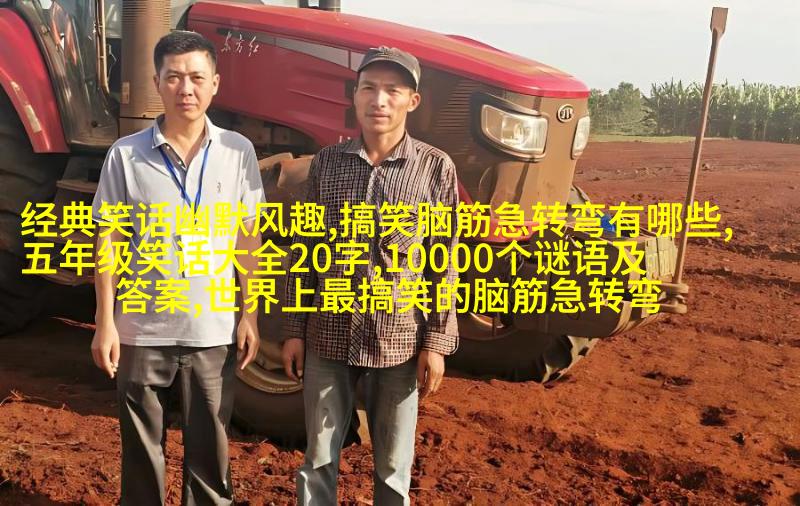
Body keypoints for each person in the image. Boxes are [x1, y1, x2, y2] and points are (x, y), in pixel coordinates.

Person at [90, 30, 265, 505]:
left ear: (215, 84)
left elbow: (247, 238)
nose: (185, 88)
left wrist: (249, 314)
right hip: (141, 329)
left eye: (196, 77)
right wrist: (105, 322)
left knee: (210, 455)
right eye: (173, 77)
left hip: (212, 329)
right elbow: (108, 239)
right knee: (141, 453)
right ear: (156, 83)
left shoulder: (238, 152)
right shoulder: (126, 155)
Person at [282, 46, 459, 506]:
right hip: (328, 333)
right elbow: (305, 250)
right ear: (355, 96)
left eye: (392, 91)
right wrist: (294, 329)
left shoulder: (434, 168)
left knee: (394, 466)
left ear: (412, 101)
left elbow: (442, 262)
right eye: (369, 88)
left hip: (398, 338)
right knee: (318, 459)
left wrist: (436, 343)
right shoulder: (327, 163)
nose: (379, 100)